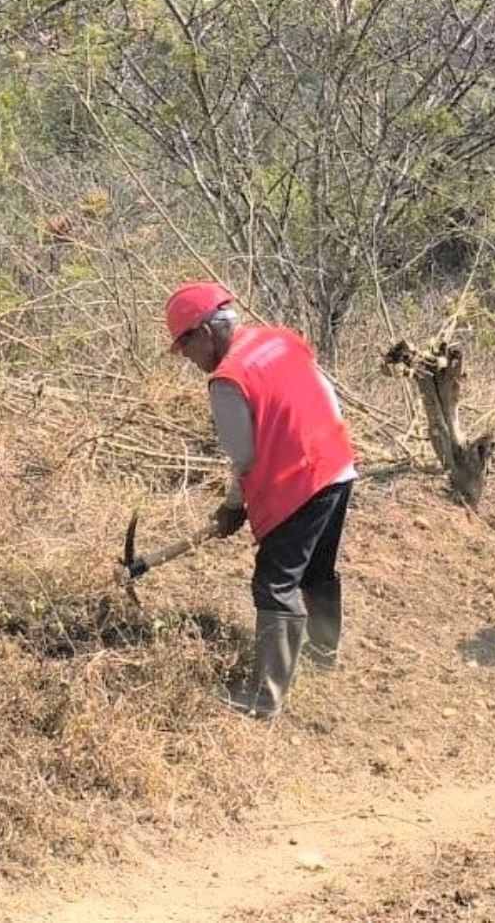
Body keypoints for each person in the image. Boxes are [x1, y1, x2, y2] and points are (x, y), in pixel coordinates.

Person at [165, 281, 358, 720]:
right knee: (317, 568)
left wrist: (233, 506)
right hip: (338, 465)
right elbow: (329, 399)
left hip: (300, 484)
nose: (189, 360)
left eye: (185, 347)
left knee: (274, 584)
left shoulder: (226, 380)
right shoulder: (280, 339)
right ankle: (323, 654)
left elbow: (245, 458)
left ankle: (264, 697)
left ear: (204, 333)